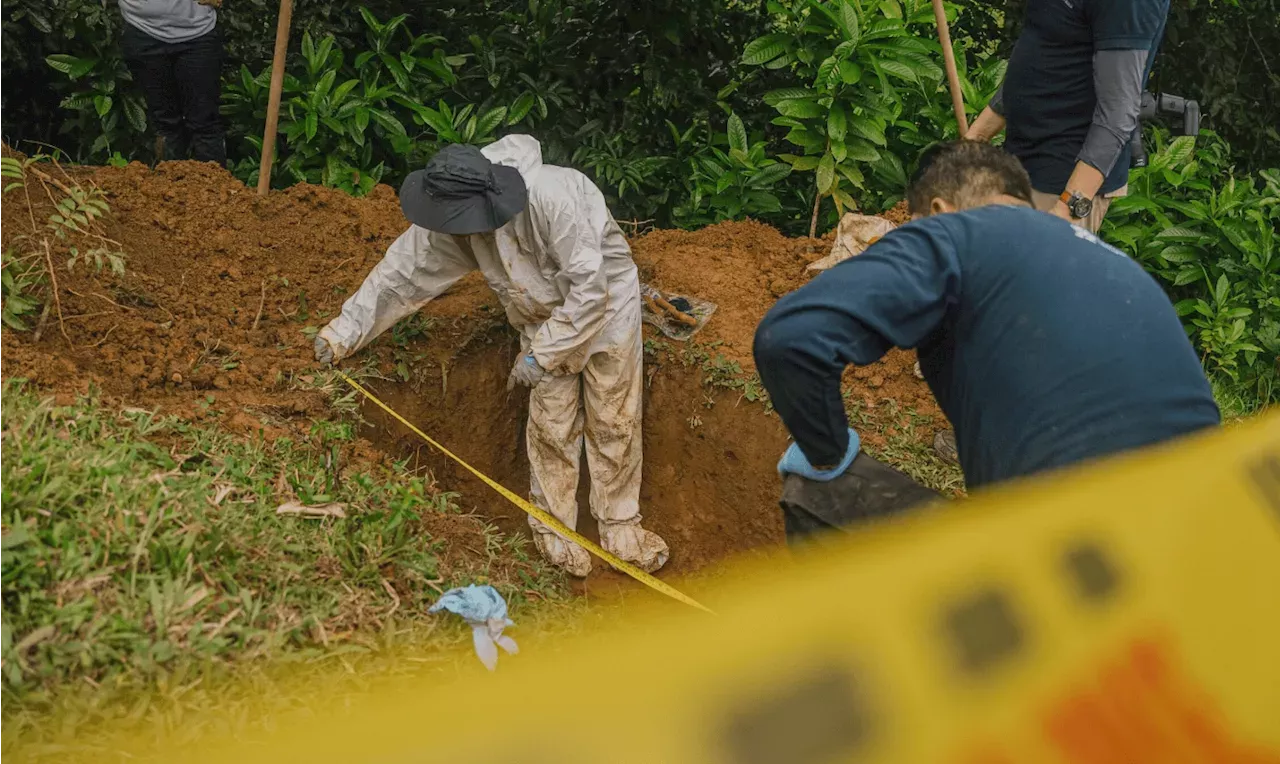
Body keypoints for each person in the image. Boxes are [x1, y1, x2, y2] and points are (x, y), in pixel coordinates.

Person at [754, 141, 1220, 541]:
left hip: (1073, 570)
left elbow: (791, 339)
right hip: (1212, 546)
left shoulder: (960, 234)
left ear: (937, 213)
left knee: (816, 489)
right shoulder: (1121, 267)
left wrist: (826, 455)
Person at [314, 135, 669, 577]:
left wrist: (541, 355)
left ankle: (619, 524)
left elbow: (589, 292)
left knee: (613, 416)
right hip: (539, 315)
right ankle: (554, 529)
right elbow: (400, 276)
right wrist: (341, 334)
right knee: (551, 424)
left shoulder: (554, 198)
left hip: (606, 305)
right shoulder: (450, 206)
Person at [965, 0, 1171, 233]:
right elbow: (1046, 54)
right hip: (1020, 164)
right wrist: (974, 139)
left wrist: (1067, 209)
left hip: (1061, 183)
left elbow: (1118, 111)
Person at [119, 0, 227, 165]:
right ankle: (169, 185)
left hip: (199, 33)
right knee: (165, 124)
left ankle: (214, 188)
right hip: (141, 29)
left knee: (205, 123)